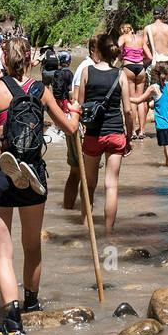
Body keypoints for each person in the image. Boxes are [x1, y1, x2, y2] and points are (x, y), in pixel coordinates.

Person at [0, 37, 81, 335]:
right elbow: (69, 128)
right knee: (32, 245)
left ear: (4, 60)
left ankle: (13, 319)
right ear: (30, 59)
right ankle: (32, 303)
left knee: (2, 252)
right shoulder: (41, 91)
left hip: (0, 172)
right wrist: (77, 112)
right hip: (34, 171)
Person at [76, 32, 133, 235]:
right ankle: (109, 231)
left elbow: (80, 105)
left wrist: (78, 127)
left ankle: (86, 227)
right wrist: (130, 135)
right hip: (116, 134)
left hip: (93, 135)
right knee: (111, 186)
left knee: (89, 184)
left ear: (97, 51)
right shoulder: (120, 75)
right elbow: (127, 110)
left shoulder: (87, 72)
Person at [63, 38, 99, 210]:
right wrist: (82, 122)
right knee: (83, 173)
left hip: (76, 122)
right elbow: (76, 97)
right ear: (93, 50)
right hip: (79, 124)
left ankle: (68, 210)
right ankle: (83, 215)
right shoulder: (86, 68)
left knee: (76, 172)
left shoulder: (89, 67)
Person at [118, 24, 148, 140]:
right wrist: (140, 60)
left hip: (128, 67)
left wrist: (121, 57)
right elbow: (149, 56)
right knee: (140, 99)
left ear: (123, 31)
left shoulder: (123, 38)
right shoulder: (140, 39)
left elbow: (116, 48)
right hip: (141, 68)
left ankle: (133, 131)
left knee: (131, 99)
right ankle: (142, 131)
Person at [142, 7, 168, 80]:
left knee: (154, 89)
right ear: (163, 16)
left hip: (155, 62)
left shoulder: (148, 28)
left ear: (153, 16)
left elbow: (143, 46)